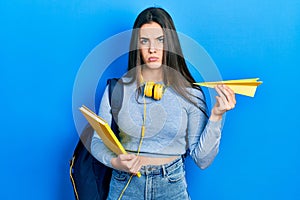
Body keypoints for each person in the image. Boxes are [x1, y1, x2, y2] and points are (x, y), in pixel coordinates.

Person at [91, 7, 236, 200]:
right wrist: (116, 162)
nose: (152, 49)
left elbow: (202, 160)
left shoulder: (190, 93)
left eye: (160, 40)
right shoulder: (116, 90)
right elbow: (97, 142)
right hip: (125, 185)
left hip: (171, 187)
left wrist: (217, 116)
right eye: (144, 41)